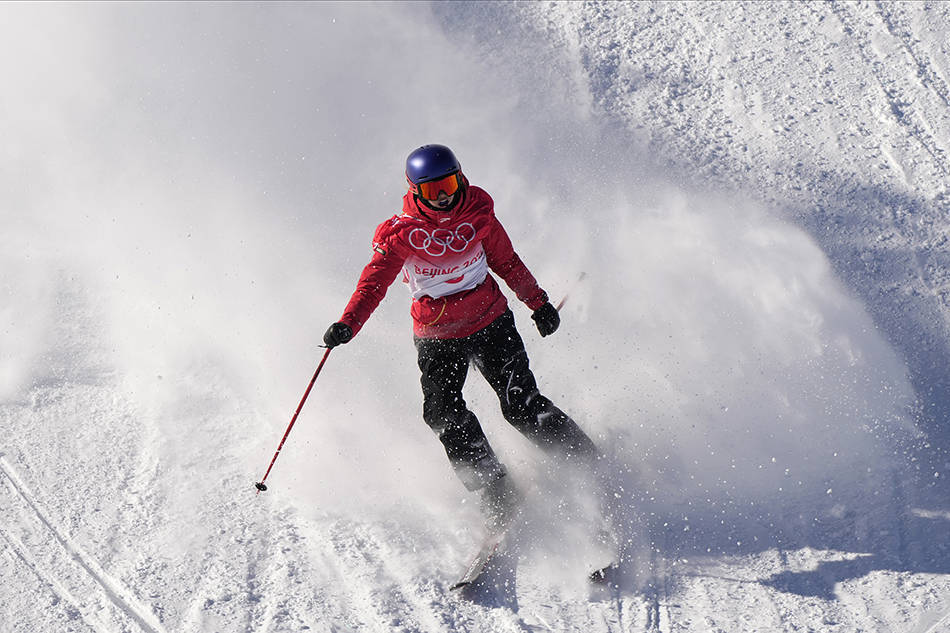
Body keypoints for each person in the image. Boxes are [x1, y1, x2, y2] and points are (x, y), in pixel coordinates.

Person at [323, 144, 601, 531]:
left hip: (491, 322)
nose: (445, 197)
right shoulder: (402, 233)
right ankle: (496, 490)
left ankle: (587, 462)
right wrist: (348, 323)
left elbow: (506, 260)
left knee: (520, 404)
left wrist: (538, 303)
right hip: (437, 336)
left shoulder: (478, 214)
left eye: (450, 184)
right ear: (415, 190)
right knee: (442, 414)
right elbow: (374, 284)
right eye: (433, 191)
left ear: (461, 177)